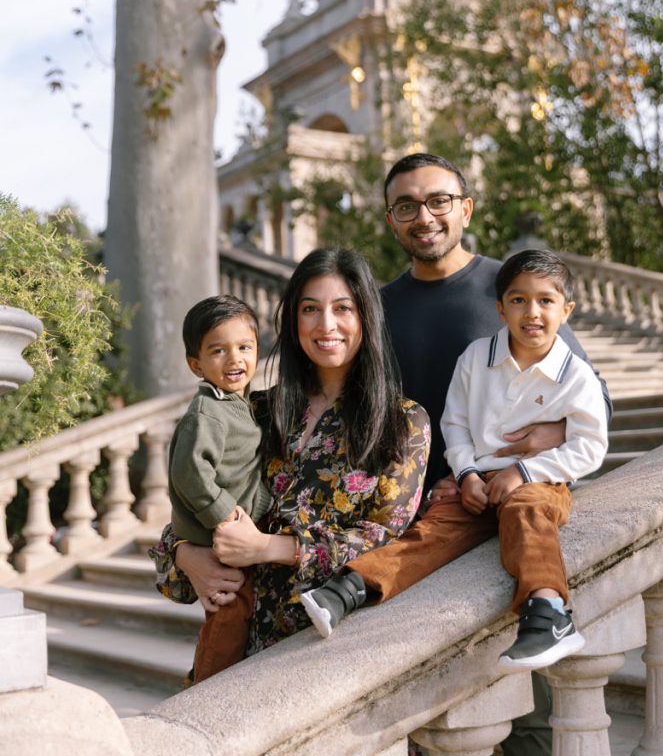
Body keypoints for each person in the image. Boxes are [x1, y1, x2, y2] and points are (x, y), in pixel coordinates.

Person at [300, 153, 611, 756]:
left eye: (440, 200)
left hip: (513, 514)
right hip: (426, 517)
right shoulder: (377, 310)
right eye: (407, 205)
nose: (425, 216)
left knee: (530, 718)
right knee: (433, 722)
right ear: (390, 219)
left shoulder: (513, 291)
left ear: (465, 208)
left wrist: (530, 452)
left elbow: (592, 402)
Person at [150, 247, 430, 678]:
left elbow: (386, 541)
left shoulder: (402, 422)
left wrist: (270, 548)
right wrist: (188, 556)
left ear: (366, 318)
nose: (326, 325)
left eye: (343, 308)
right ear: (292, 320)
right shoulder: (257, 411)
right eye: (310, 309)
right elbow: (191, 503)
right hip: (240, 650)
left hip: (332, 652)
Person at [440, 248, 607, 670]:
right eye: (519, 300)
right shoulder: (477, 358)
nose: (532, 312)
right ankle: (356, 584)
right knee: (433, 527)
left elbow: (590, 446)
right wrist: (467, 474)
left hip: (544, 480)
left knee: (528, 510)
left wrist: (525, 470)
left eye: (546, 301)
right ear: (501, 308)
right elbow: (454, 422)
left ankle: (550, 611)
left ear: (566, 310)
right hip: (478, 479)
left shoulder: (575, 374)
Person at [164, 294, 272, 677]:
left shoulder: (236, 404)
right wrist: (224, 515)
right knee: (228, 612)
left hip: (230, 533)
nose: (234, 359)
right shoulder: (207, 412)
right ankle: (205, 691)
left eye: (244, 347)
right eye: (218, 351)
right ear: (196, 364)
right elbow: (189, 473)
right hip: (216, 539)